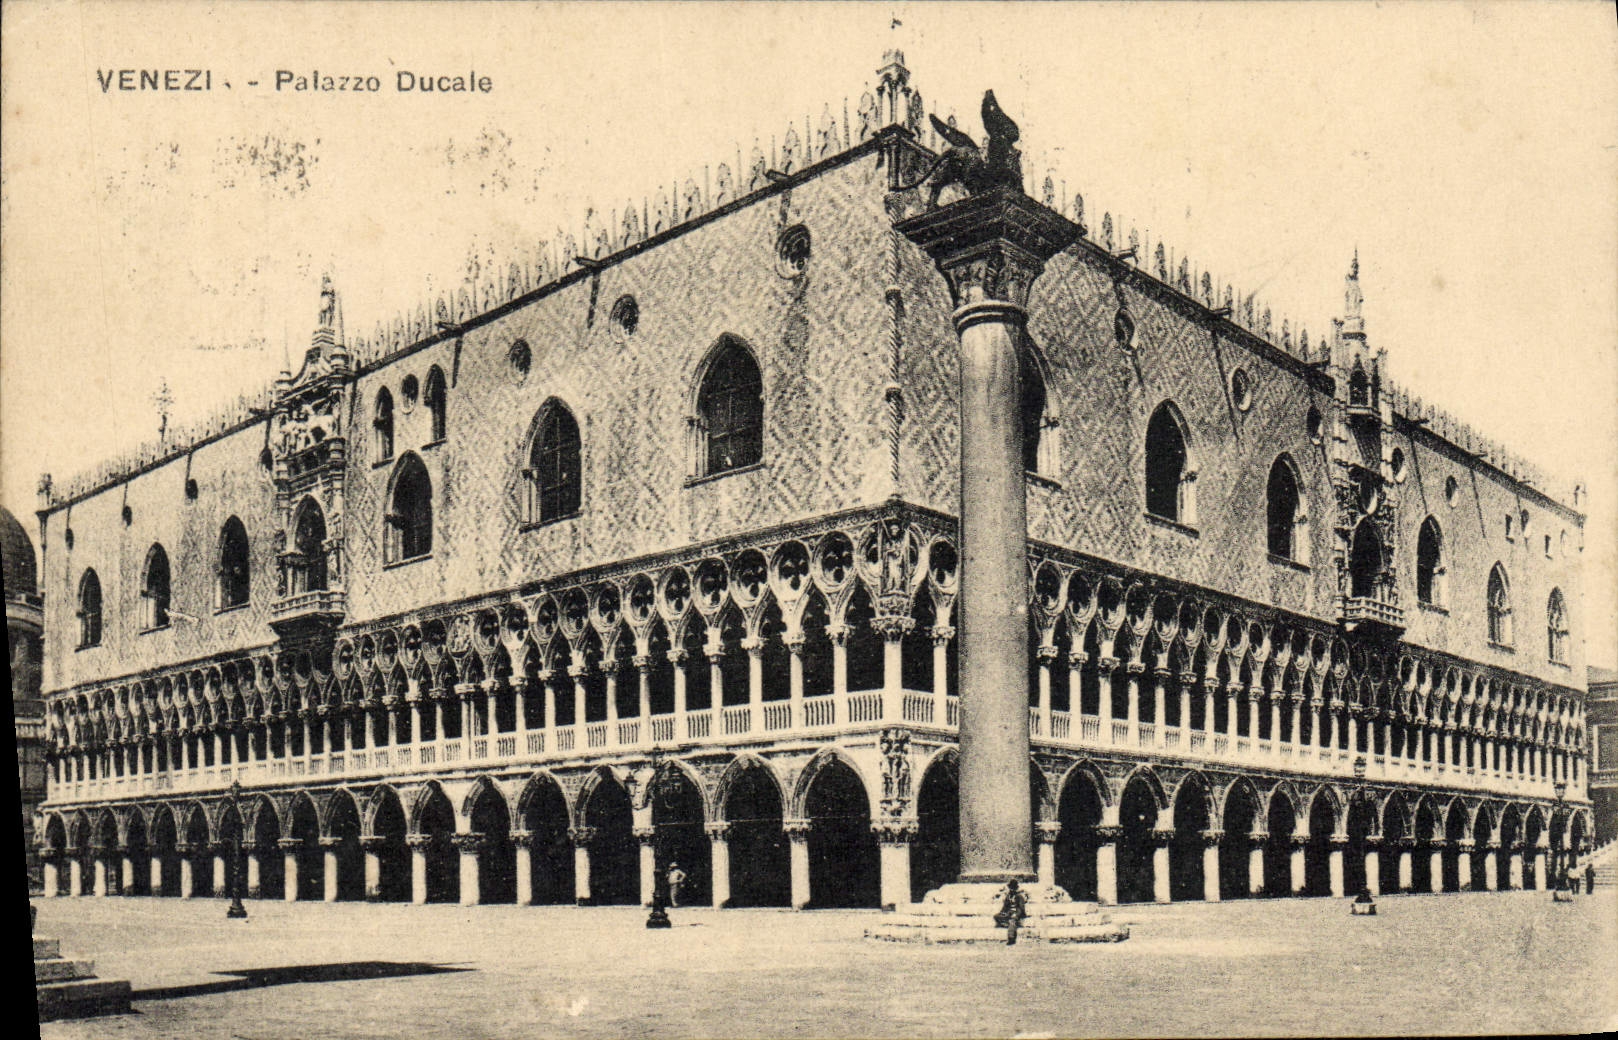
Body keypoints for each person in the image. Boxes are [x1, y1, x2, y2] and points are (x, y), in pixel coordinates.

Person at [993, 879, 1029, 946]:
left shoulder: (1019, 896)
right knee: (996, 916)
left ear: (1016, 889)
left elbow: (1021, 908)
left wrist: (1016, 915)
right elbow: (1005, 906)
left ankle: (1011, 938)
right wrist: (1002, 912)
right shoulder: (1008, 896)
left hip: (1016, 914)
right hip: (1008, 913)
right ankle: (1005, 923)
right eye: (1011, 888)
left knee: (1012, 921)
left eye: (1013, 888)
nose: (1011, 890)